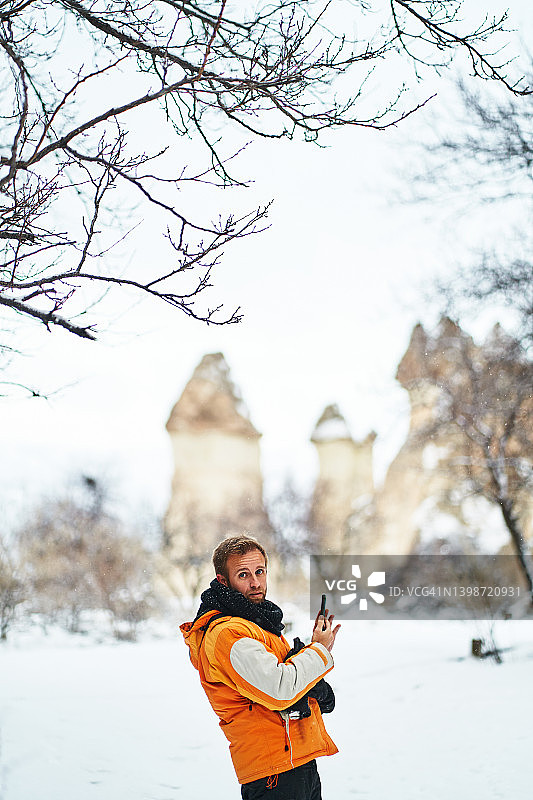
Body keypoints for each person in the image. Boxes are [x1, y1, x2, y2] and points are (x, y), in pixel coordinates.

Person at [180, 535, 341, 800]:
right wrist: (319, 650)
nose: (255, 582)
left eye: (260, 571)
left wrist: (313, 682)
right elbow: (280, 689)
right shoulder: (229, 633)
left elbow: (284, 680)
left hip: (295, 762)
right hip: (273, 775)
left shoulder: (257, 624)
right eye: (243, 574)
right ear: (223, 581)